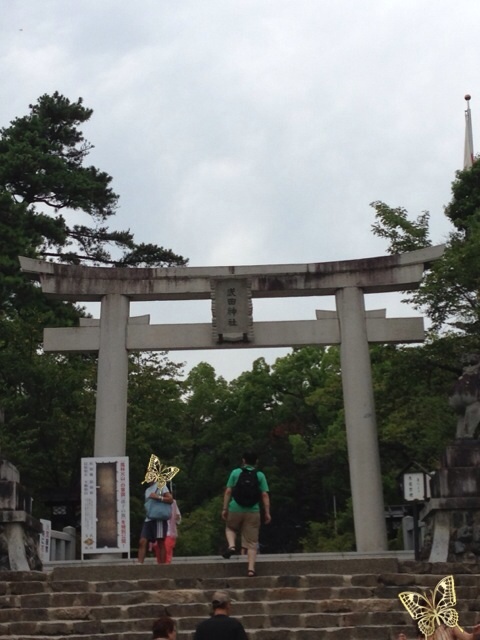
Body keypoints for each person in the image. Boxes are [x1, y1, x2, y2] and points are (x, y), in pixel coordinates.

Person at [221, 451, 271, 577]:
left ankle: (232, 546)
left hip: (235, 508)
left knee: (230, 528)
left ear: (243, 460)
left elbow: (228, 491)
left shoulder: (235, 473)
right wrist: (267, 512)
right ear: (256, 461)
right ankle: (251, 569)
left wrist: (225, 508)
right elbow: (264, 495)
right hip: (253, 510)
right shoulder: (260, 475)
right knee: (252, 543)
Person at [138, 480, 173, 564]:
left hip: (158, 518)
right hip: (149, 518)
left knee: (160, 542)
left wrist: (158, 497)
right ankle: (139, 564)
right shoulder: (147, 490)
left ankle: (162, 565)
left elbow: (170, 499)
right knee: (142, 541)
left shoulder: (161, 486)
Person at [155, 498, 181, 564]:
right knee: (158, 551)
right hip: (158, 532)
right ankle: (160, 566)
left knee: (166, 549)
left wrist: (177, 517)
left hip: (169, 532)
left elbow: (178, 517)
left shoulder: (172, 502)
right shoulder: (154, 502)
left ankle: (166, 565)